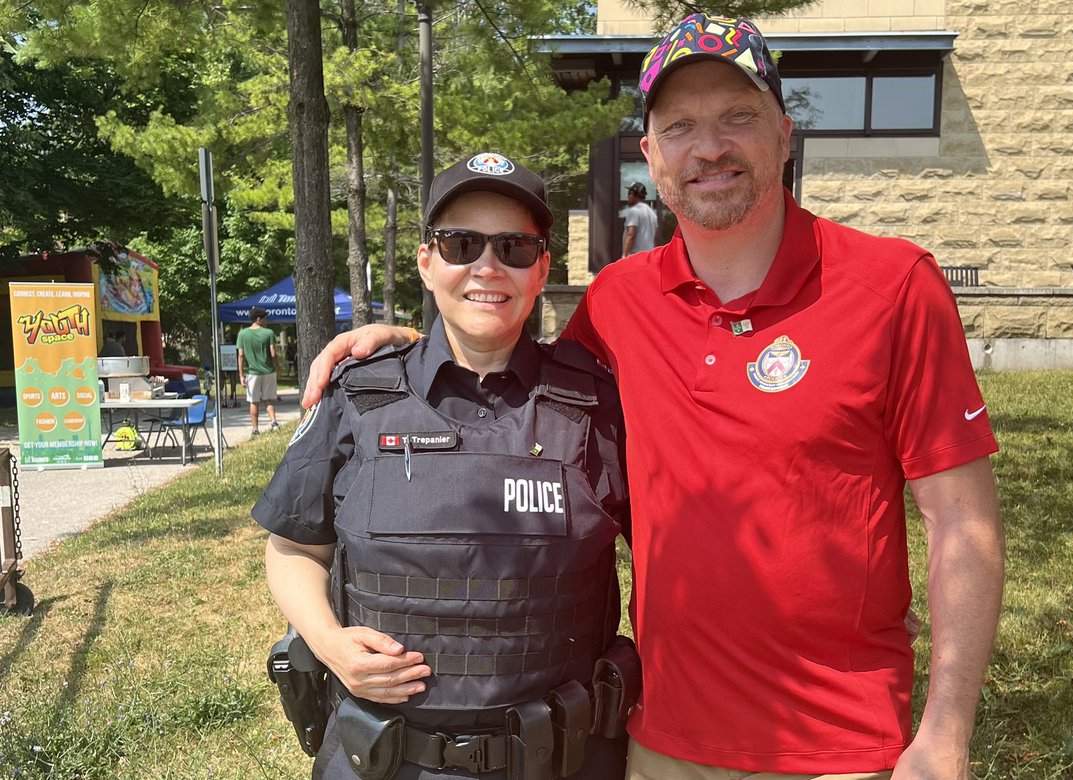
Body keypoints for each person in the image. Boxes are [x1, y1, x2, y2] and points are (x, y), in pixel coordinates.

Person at [304, 12, 1005, 780]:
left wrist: (944, 734)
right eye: (680, 127)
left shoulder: (893, 286)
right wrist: (413, 346)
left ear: (783, 131)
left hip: (839, 742)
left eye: (737, 117)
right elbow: (508, 386)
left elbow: (962, 523)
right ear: (652, 155)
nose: (709, 147)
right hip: (662, 737)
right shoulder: (619, 300)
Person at [254, 152, 633, 780]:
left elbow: (667, 554)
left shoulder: (596, 405)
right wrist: (329, 644)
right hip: (383, 760)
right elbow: (293, 547)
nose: (488, 266)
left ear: (541, 269)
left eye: (514, 247)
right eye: (462, 244)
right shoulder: (360, 396)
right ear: (428, 262)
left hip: (562, 760)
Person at [236, 306, 281, 435]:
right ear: (258, 319)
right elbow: (273, 353)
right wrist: (278, 369)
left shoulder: (242, 334)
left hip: (253, 373)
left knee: (253, 401)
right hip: (269, 371)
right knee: (268, 399)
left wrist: (241, 375)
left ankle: (255, 429)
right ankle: (274, 422)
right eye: (265, 318)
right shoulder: (269, 333)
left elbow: (240, 355)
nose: (267, 321)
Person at [621, 182, 658, 257]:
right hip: (649, 256)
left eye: (629, 193)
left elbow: (631, 234)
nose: (628, 196)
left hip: (635, 256)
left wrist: (624, 255)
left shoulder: (634, 211)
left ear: (636, 195)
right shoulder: (652, 213)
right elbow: (654, 236)